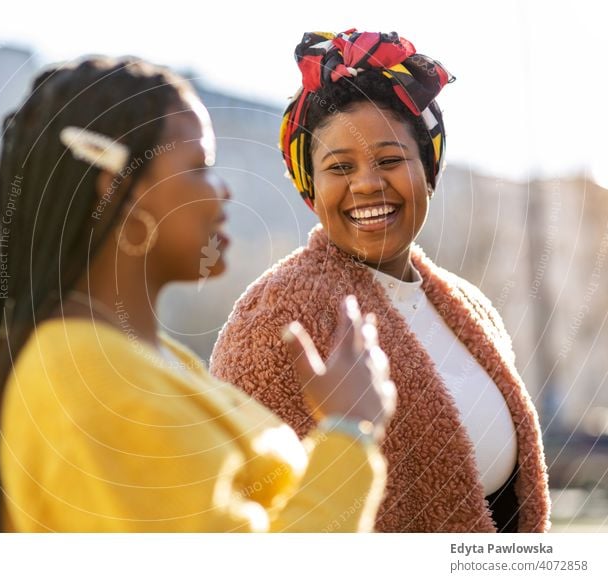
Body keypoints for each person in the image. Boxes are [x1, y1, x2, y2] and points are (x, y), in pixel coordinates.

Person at [0, 55, 396, 532]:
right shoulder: (81, 377)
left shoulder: (153, 361)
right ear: (118, 191)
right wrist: (349, 432)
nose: (223, 189)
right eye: (198, 166)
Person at [210, 29, 550, 532]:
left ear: (428, 170)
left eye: (390, 160)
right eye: (339, 166)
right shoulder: (274, 320)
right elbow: (242, 515)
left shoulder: (470, 306)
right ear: (311, 187)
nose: (367, 183)